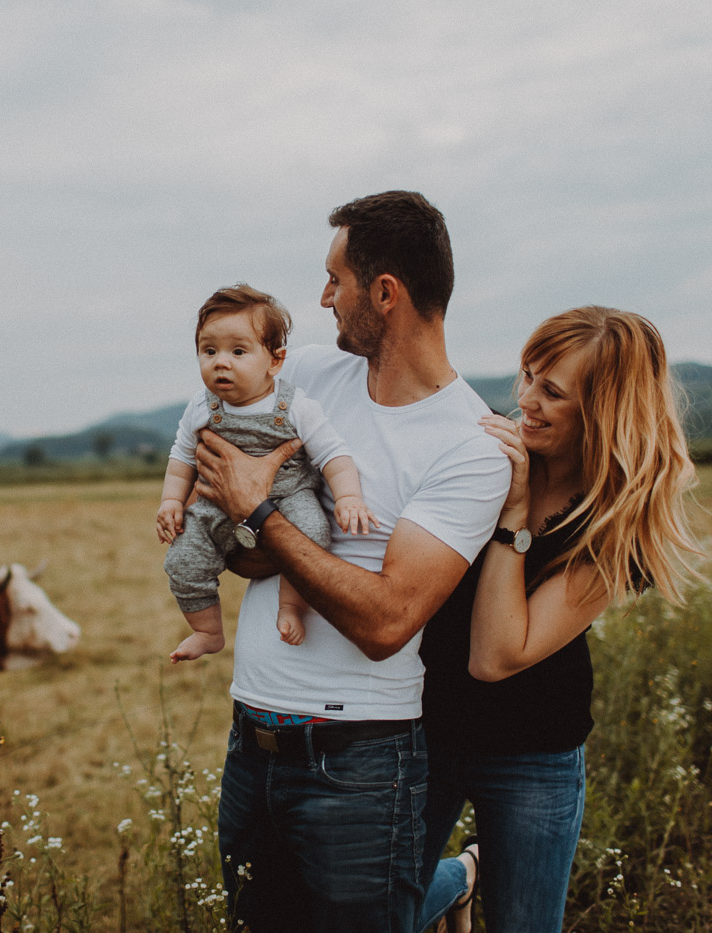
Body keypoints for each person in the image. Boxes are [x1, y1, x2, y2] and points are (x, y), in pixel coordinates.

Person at [192, 191, 511, 932]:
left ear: (386, 293)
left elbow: (387, 619)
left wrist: (263, 515)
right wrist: (261, 531)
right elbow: (225, 518)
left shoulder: (470, 444)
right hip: (251, 742)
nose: (324, 298)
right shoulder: (302, 372)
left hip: (359, 763)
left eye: (335, 279)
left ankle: (448, 886)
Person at [415, 306, 702, 933]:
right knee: (372, 913)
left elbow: (495, 656)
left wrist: (513, 518)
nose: (525, 402)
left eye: (552, 392)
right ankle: (458, 880)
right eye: (526, 378)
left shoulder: (614, 520)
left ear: (603, 410)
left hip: (532, 753)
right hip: (426, 729)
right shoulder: (482, 455)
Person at [157, 284, 375, 661]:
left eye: (238, 351)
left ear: (275, 361)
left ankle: (290, 606)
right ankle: (207, 630)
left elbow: (333, 455)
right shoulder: (201, 406)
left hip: (289, 496)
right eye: (209, 351)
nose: (220, 362)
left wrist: (349, 497)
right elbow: (183, 458)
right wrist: (171, 502)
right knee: (183, 558)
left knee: (312, 533)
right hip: (215, 503)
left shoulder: (295, 406)